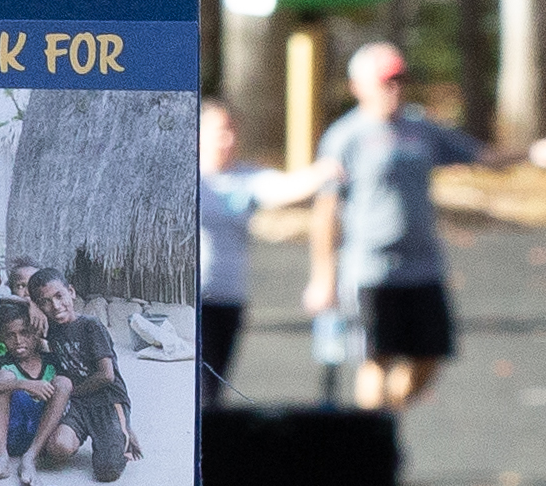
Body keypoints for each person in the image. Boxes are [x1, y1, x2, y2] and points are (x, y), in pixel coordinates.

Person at [306, 39, 546, 412]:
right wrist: (323, 277)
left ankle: (388, 419)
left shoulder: (421, 129)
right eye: (385, 81)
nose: (395, 89)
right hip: (371, 270)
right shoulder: (345, 137)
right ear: (359, 87)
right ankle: (373, 444)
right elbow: (326, 210)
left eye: (399, 80)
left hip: (422, 267)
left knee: (431, 356)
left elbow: (482, 156)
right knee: (376, 359)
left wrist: (531, 153)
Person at [196, 95, 337, 390]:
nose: (229, 139)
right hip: (193, 301)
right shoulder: (187, 178)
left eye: (233, 130)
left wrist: (322, 171)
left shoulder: (246, 178)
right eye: (220, 131)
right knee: (197, 389)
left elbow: (285, 188)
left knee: (215, 388)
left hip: (228, 300)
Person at [32, 273, 138, 479]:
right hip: (80, 405)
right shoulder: (51, 327)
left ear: (71, 292)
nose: (55, 306)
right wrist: (30, 305)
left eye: (59, 296)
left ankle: (123, 431)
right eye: (45, 302)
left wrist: (71, 393)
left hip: (108, 400)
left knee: (107, 471)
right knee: (57, 449)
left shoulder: (91, 325)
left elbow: (106, 375)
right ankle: (110, 432)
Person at [0, 305, 68, 479]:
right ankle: (1, 457)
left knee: (64, 382)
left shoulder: (52, 362)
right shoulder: (2, 362)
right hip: (10, 434)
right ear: (0, 337)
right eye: (10, 335)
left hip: (42, 437)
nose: (18, 340)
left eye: (25, 333)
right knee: (4, 379)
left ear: (37, 334)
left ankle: (30, 458)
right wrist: (22, 384)